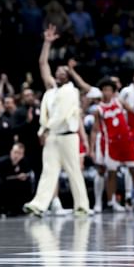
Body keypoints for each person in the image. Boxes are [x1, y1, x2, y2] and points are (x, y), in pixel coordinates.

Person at [23, 25, 91, 217]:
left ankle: (82, 206)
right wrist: (47, 43)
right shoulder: (51, 91)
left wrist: (44, 130)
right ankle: (38, 205)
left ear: (68, 76)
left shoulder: (71, 91)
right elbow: (43, 64)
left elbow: (63, 115)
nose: (59, 73)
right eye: (58, 71)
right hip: (51, 136)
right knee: (48, 171)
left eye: (63, 71)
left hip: (68, 137)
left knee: (74, 172)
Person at [90, 78, 134, 212]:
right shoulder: (99, 109)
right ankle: (111, 201)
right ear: (101, 92)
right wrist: (91, 148)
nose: (107, 92)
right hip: (110, 143)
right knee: (110, 173)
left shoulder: (119, 101)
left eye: (109, 90)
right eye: (104, 90)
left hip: (125, 141)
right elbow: (95, 130)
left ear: (113, 92)